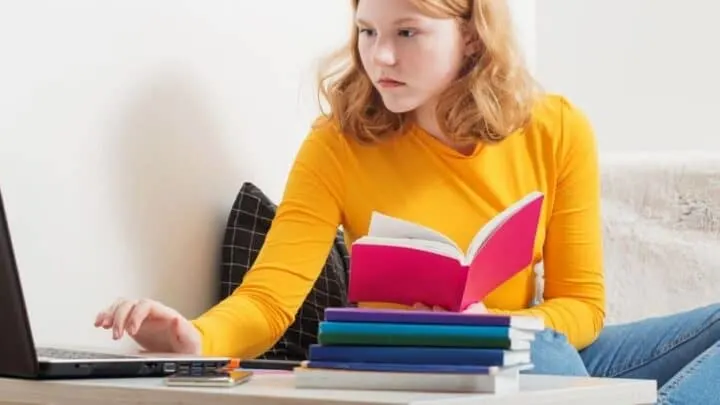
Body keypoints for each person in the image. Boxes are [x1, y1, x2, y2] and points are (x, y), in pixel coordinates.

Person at [95, 0, 720, 402]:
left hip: (530, 354)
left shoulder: (556, 128)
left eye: (407, 32)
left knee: (549, 351)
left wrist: (502, 326)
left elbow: (581, 306)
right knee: (544, 362)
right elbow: (268, 300)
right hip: (416, 368)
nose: (380, 57)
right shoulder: (337, 142)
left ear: (472, 37)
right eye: (367, 31)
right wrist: (194, 339)